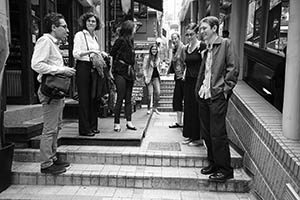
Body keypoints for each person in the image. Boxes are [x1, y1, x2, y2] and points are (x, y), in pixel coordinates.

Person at [31, 12, 76, 174]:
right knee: (50, 129)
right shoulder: (45, 41)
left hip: (56, 92)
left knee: (56, 126)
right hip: (50, 91)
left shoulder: (53, 43)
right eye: (63, 26)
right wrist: (61, 69)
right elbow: (36, 65)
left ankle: (53, 157)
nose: (67, 30)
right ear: (53, 27)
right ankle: (46, 163)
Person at [195, 16, 239, 182]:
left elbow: (233, 69)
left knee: (217, 133)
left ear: (214, 28)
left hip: (217, 96)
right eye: (200, 28)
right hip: (204, 96)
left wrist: (225, 90)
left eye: (204, 28)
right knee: (207, 133)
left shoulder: (226, 44)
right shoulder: (207, 48)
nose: (201, 31)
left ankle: (225, 169)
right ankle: (213, 163)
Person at [73, 12, 107, 136]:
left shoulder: (95, 37)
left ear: (97, 24)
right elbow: (76, 53)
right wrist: (91, 51)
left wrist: (101, 54)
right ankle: (84, 129)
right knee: (84, 98)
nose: (91, 23)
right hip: (83, 67)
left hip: (94, 68)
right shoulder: (80, 35)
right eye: (89, 21)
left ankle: (93, 126)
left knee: (94, 97)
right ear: (84, 22)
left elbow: (96, 53)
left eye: (93, 21)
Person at [182, 23, 206, 146]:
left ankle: (198, 137)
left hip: (198, 81)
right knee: (188, 107)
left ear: (196, 34)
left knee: (196, 108)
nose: (189, 37)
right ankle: (190, 134)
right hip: (188, 80)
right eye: (187, 35)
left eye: (192, 34)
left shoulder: (201, 46)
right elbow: (187, 64)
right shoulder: (186, 48)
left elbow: (205, 64)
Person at [110, 20, 137, 132]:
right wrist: (110, 71)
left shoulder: (131, 41)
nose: (135, 30)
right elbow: (112, 54)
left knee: (128, 98)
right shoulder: (120, 41)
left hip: (129, 71)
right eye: (134, 27)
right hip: (120, 71)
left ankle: (129, 122)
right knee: (120, 96)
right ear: (129, 29)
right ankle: (116, 122)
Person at [168, 32, 185, 128]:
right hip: (178, 77)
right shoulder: (175, 49)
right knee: (177, 99)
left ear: (179, 38)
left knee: (181, 99)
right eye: (172, 39)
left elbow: (185, 62)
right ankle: (179, 121)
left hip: (183, 78)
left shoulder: (183, 48)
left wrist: (184, 75)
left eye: (175, 38)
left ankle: (183, 121)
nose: (174, 40)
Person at [143, 44, 162, 115]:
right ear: (150, 50)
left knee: (158, 93)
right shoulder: (147, 58)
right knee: (149, 94)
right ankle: (148, 108)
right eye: (153, 49)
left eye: (155, 49)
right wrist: (145, 76)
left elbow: (159, 68)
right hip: (149, 78)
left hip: (156, 77)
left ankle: (155, 108)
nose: (154, 51)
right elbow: (144, 68)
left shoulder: (158, 58)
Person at [271, 46, 287, 112]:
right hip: (282, 90)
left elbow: (275, 78)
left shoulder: (281, 65)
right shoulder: (284, 65)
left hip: (280, 89)